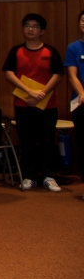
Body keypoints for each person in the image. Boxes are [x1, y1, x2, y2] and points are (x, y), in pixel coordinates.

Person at [3, 12, 63, 192]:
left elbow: (58, 75)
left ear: (42, 31)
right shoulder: (16, 51)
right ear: (23, 29)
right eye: (27, 25)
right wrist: (30, 92)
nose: (30, 29)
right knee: (27, 141)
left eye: (35, 26)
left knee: (47, 141)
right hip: (23, 103)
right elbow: (8, 73)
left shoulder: (50, 51)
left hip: (47, 104)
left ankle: (49, 176)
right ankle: (29, 176)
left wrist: (41, 94)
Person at [65, 10, 84, 201]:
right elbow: (72, 76)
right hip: (80, 102)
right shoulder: (73, 48)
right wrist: (83, 93)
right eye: (83, 20)